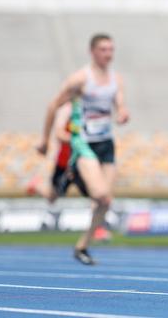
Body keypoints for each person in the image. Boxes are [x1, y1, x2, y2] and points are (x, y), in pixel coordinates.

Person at [37, 33, 129, 265]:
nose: (108, 54)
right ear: (93, 52)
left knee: (105, 201)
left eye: (111, 50)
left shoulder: (116, 79)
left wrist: (122, 113)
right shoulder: (80, 79)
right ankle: (74, 173)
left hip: (106, 143)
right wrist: (45, 140)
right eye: (103, 50)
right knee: (98, 193)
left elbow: (119, 103)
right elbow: (52, 105)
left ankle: (82, 246)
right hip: (83, 142)